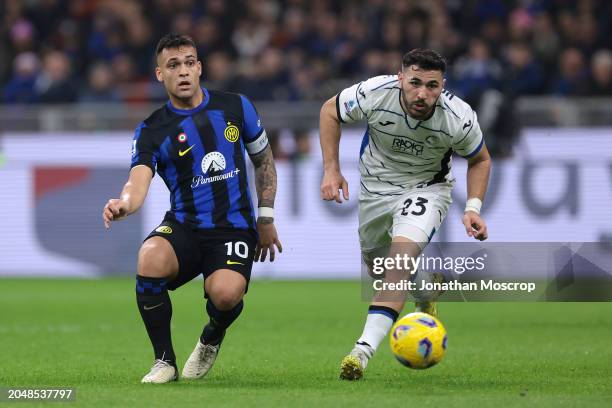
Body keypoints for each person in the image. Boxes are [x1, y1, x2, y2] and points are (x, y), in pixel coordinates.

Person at [102, 34, 282, 384]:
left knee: (227, 294)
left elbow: (264, 161)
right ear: (160, 75)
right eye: (173, 65)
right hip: (185, 227)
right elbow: (137, 182)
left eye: (189, 63)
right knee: (150, 256)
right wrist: (124, 204)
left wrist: (266, 217)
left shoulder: (236, 106)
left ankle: (212, 335)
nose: (183, 71)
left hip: (232, 229)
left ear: (199, 68)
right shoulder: (152, 130)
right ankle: (164, 362)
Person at [319, 49, 491, 380]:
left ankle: (361, 352)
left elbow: (481, 159)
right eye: (414, 83)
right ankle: (425, 287)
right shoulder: (374, 93)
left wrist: (473, 208)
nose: (422, 94)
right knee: (379, 268)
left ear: (442, 86)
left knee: (397, 264)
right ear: (400, 77)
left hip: (426, 190)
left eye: (432, 86)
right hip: (374, 192)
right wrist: (331, 169)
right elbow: (330, 111)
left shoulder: (458, 116)